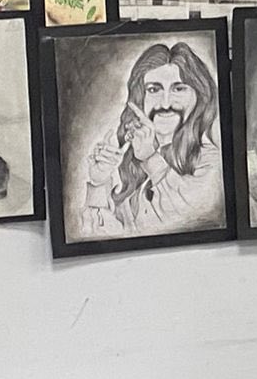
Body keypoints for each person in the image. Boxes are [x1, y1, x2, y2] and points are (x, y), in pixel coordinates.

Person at [85, 40, 223, 235]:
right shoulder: (132, 167)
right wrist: (99, 181)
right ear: (140, 99)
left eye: (179, 89)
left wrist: (150, 158)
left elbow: (188, 217)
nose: (165, 104)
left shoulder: (212, 163)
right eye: (153, 90)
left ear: (200, 97)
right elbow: (100, 236)